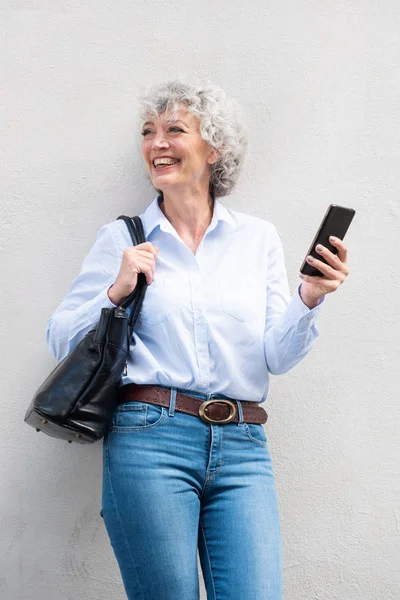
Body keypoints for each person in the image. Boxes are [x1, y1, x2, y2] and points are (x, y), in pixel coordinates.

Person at [46, 79, 350, 600]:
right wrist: (115, 292)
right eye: (148, 132)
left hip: (243, 445)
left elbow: (276, 355)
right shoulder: (123, 238)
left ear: (214, 149)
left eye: (174, 130)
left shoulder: (257, 240)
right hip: (149, 439)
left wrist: (310, 297)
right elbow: (60, 339)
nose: (156, 143)